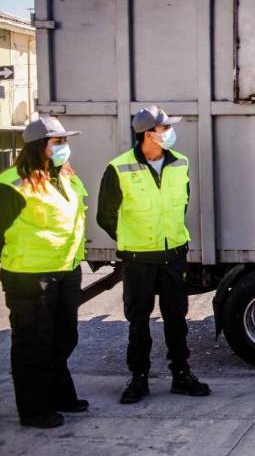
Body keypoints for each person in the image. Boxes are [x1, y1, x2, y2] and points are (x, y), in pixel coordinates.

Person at [97, 106, 209, 404]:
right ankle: (139, 378)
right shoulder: (118, 168)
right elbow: (105, 216)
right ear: (148, 135)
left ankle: (181, 375)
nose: (170, 133)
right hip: (138, 259)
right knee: (138, 321)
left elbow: (180, 205)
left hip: (173, 255)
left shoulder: (180, 163)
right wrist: (133, 240)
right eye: (165, 128)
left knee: (176, 318)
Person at [0, 116, 88, 428]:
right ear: (40, 147)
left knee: (63, 338)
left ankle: (59, 394)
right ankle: (34, 409)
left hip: (66, 269)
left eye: (65, 140)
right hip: (29, 275)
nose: (65, 147)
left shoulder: (65, 177)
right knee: (32, 344)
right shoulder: (13, 184)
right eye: (58, 142)